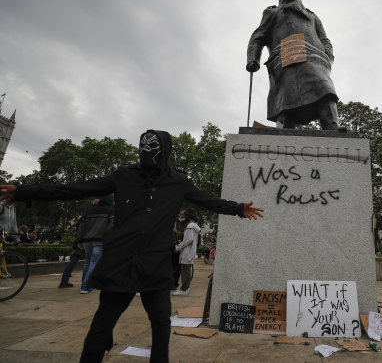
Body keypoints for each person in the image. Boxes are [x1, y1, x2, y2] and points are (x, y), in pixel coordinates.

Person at [0, 129, 264, 363]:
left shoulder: (178, 182)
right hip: (120, 261)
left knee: (160, 322)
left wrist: (238, 208)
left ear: (165, 152)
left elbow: (208, 201)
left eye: (153, 149)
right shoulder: (124, 175)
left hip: (155, 263)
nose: (146, 153)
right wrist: (25, 191)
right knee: (103, 322)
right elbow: (75, 188)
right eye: (143, 147)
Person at [246, 0, 339, 130]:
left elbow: (325, 40)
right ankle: (285, 130)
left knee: (325, 88)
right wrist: (253, 59)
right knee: (286, 98)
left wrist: (327, 56)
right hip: (287, 57)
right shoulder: (273, 13)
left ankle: (332, 126)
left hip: (315, 59)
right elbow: (258, 37)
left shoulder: (312, 16)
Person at [77, 196, 114, 294]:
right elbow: (112, 225)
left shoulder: (89, 211)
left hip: (87, 240)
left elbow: (81, 226)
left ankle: (85, 286)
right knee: (94, 263)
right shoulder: (110, 211)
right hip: (99, 240)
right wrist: (108, 237)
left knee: (87, 262)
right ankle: (85, 286)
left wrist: (79, 240)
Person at [173, 208, 200, 296]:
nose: (183, 217)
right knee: (187, 271)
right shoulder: (193, 226)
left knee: (185, 271)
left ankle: (183, 290)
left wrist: (178, 247)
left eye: (185, 215)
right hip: (189, 251)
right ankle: (185, 288)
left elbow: (188, 240)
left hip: (187, 252)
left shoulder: (189, 227)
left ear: (188, 216)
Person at [171, 210, 187, 289]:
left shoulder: (187, 224)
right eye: (180, 214)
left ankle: (175, 283)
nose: (181, 216)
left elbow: (186, 236)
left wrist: (177, 232)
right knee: (170, 266)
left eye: (183, 215)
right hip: (172, 245)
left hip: (180, 247)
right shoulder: (174, 221)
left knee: (177, 267)